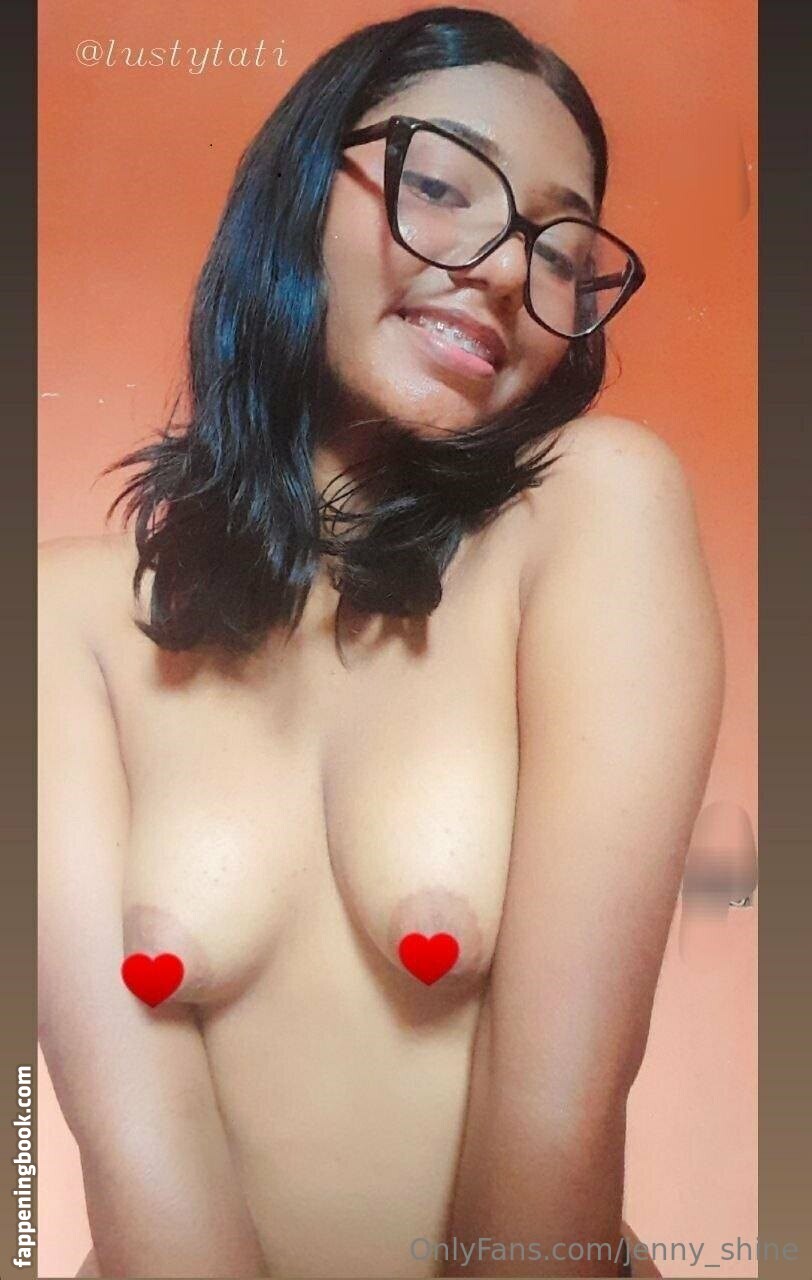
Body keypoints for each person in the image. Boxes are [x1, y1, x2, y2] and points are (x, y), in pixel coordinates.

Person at [38, 7, 724, 1278]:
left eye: (560, 248)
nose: (503, 269)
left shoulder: (591, 511)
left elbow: (556, 1125)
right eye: (443, 185)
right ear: (298, 190)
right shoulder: (57, 622)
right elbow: (137, 1163)